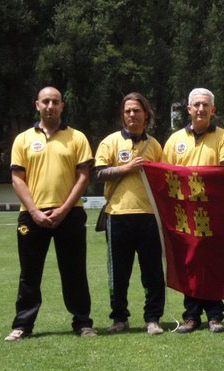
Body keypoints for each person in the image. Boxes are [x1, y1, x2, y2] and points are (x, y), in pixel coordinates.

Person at [6, 86, 96, 341]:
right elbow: (17, 178)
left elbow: (83, 176)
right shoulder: (23, 139)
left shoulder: (77, 137)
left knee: (74, 271)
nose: (50, 106)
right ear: (37, 105)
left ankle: (83, 322)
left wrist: (64, 209)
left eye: (55, 102)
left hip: (70, 214)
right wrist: (34, 211)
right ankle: (23, 325)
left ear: (62, 106)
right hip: (32, 216)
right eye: (45, 101)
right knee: (30, 272)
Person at [164, 88, 224, 333]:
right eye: (196, 105)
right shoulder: (175, 140)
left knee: (215, 263)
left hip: (216, 212)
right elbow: (167, 176)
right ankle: (191, 316)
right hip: (185, 214)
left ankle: (215, 315)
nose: (200, 109)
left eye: (205, 105)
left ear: (213, 110)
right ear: (188, 109)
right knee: (190, 262)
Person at [94, 92, 165, 335]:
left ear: (146, 114)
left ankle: (153, 318)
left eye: (137, 110)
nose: (132, 115)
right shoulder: (110, 141)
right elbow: (99, 173)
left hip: (148, 216)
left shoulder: (154, 145)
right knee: (119, 272)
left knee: (152, 271)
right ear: (123, 115)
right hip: (118, 215)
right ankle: (119, 318)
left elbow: (164, 179)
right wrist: (127, 167)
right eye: (128, 111)